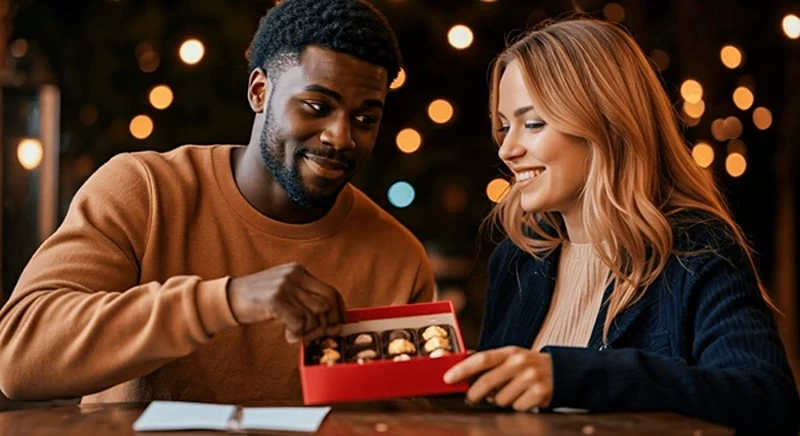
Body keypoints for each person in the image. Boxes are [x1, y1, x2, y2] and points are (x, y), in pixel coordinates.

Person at [0, 0, 435, 405]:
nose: (340, 137)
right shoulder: (144, 190)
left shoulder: (399, 258)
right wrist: (227, 299)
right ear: (260, 92)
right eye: (317, 106)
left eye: (365, 119)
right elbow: (18, 357)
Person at [443, 18, 799, 433]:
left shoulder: (695, 249)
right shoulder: (517, 259)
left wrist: (574, 377)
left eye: (533, 123)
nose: (507, 149)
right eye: (504, 127)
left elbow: (767, 400)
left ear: (605, 121)